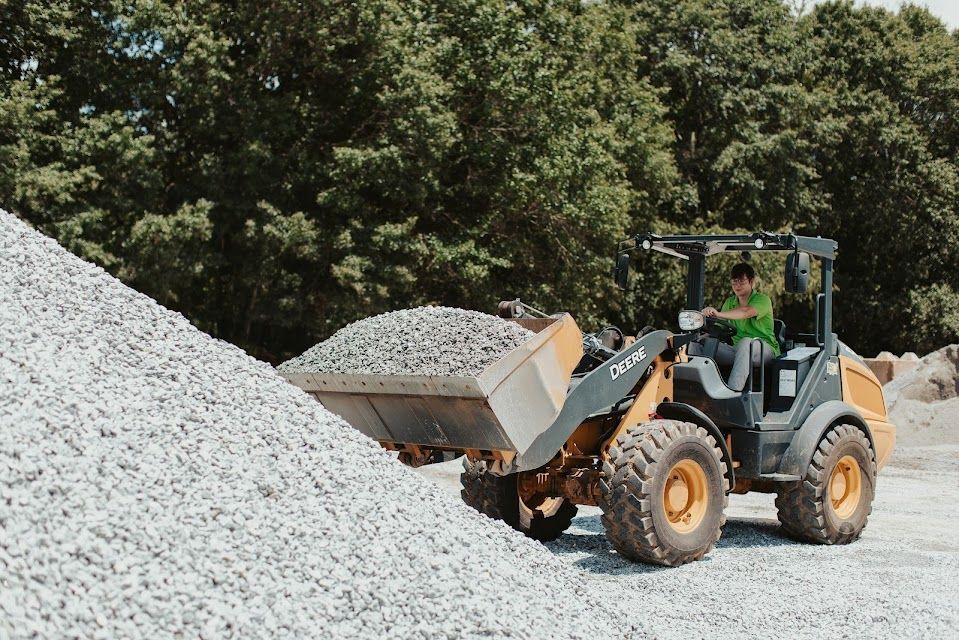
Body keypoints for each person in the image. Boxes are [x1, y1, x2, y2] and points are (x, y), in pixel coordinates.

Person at [689, 263, 780, 391]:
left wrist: (718, 313)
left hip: (765, 350)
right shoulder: (729, 303)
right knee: (700, 343)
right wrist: (707, 321)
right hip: (738, 351)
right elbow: (720, 326)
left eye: (741, 281)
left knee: (746, 343)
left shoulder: (762, 300)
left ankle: (732, 393)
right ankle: (695, 390)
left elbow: (745, 312)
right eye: (734, 282)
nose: (737, 285)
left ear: (751, 281)